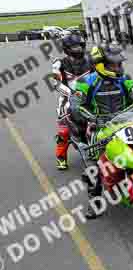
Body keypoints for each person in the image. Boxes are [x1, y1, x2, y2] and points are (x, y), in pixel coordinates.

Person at [70, 44, 133, 218]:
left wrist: (132, 108)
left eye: (119, 64)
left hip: (125, 125)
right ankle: (95, 201)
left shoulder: (125, 79)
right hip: (99, 129)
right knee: (93, 165)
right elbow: (76, 106)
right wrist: (92, 118)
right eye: (114, 65)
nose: (119, 68)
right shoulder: (86, 82)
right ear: (101, 64)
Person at [53, 33, 93, 170]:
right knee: (64, 131)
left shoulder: (91, 60)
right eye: (74, 47)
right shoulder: (59, 64)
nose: (78, 49)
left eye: (79, 46)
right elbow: (56, 84)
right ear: (66, 48)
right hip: (68, 98)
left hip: (90, 96)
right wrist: (72, 93)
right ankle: (61, 157)